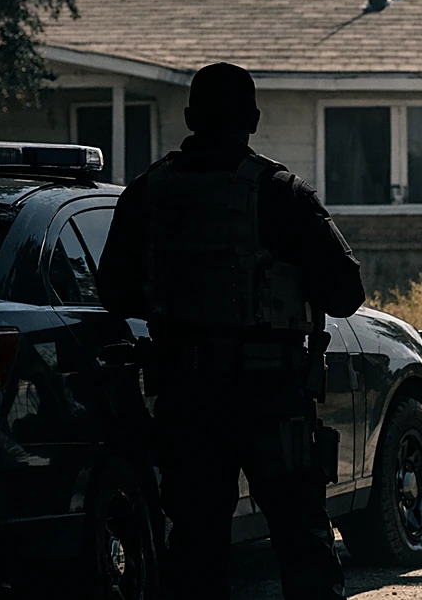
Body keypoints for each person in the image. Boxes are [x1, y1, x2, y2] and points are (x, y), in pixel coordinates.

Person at [97, 62, 365, 600]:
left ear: (191, 117)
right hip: (271, 400)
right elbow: (346, 294)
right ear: (254, 119)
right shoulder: (282, 193)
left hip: (186, 398)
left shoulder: (147, 192)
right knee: (302, 541)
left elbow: (114, 293)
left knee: (196, 545)